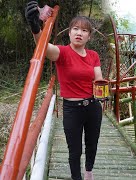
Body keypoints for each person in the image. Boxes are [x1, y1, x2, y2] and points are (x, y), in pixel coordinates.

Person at [25, 2, 103, 180]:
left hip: (93, 107)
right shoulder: (62, 52)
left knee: (92, 144)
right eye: (75, 29)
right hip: (72, 109)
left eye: (84, 30)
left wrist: (103, 90)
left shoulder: (93, 55)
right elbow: (44, 48)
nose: (79, 33)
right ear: (69, 33)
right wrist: (35, 28)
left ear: (88, 36)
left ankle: (89, 172)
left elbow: (98, 78)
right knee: (74, 151)